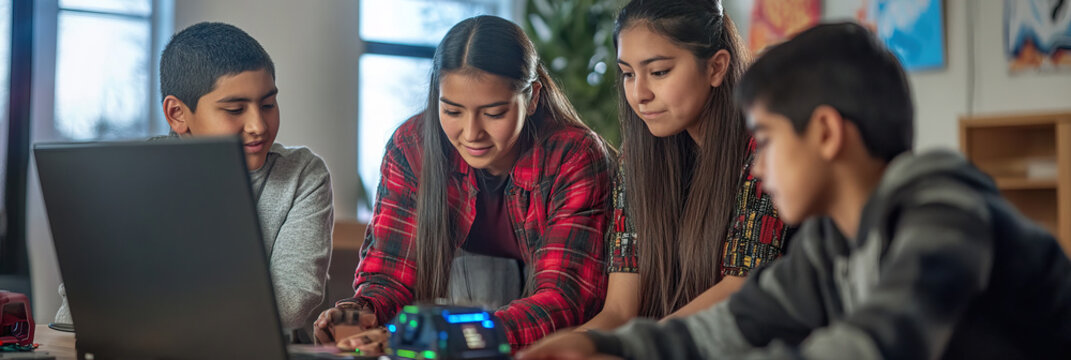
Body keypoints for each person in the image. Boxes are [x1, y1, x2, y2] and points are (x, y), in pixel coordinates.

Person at [518, 22, 1071, 359]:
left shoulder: (944, 205)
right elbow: (727, 328)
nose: (756, 166)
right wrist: (603, 347)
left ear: (827, 134)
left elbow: (878, 345)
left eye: (766, 140)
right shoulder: (831, 250)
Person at [313, 15, 614, 352]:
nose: (471, 134)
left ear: (532, 99)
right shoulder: (411, 147)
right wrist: (359, 315)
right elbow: (390, 277)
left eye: (494, 113)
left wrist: (450, 336)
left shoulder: (574, 156)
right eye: (453, 112)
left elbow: (562, 301)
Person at [54, 22, 334, 331]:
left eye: (268, 104)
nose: (259, 125)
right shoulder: (127, 179)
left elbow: (291, 302)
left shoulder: (302, 175)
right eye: (235, 109)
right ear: (177, 114)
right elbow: (81, 307)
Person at [580, 0, 791, 331]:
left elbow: (741, 288)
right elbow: (620, 309)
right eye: (628, 74)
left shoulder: (763, 153)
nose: (639, 93)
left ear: (716, 68)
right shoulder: (635, 160)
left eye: (659, 72)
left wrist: (637, 346)